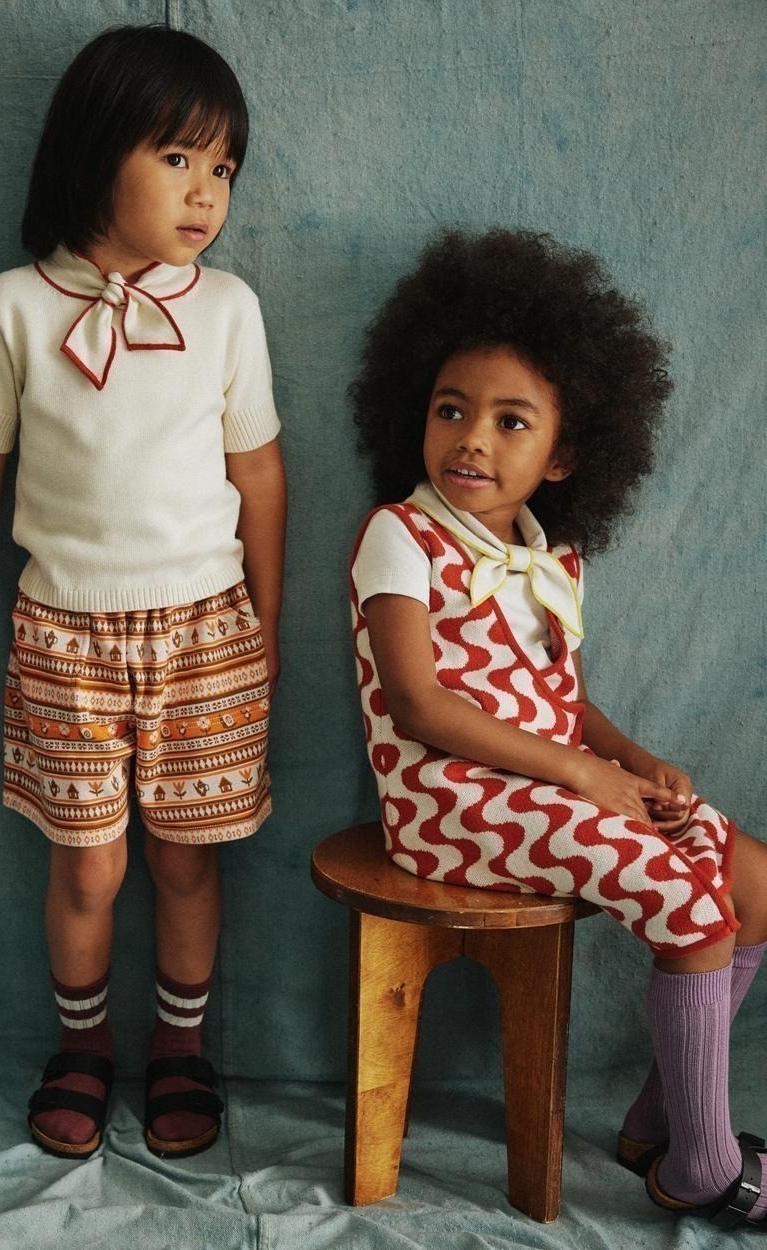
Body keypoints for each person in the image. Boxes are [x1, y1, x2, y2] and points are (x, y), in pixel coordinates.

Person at [349, 228, 767, 1229]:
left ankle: (659, 1124)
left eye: (511, 421)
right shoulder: (398, 536)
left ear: (565, 453)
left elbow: (562, 702)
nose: (472, 439)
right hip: (446, 802)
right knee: (686, 901)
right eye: (451, 409)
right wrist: (585, 779)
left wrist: (632, 760)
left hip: (549, 780)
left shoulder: (553, 560)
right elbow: (420, 705)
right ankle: (705, 1169)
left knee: (751, 881)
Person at [0, 24, 285, 1162]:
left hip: (206, 630)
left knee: (187, 855)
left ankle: (180, 1044)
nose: (206, 192)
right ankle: (82, 1044)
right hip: (63, 631)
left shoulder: (227, 310)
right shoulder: (12, 307)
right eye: (177, 158)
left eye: (223, 167)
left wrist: (266, 622)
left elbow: (258, 473)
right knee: (87, 860)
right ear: (96, 153)